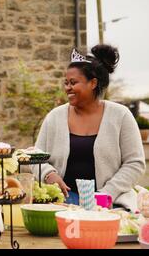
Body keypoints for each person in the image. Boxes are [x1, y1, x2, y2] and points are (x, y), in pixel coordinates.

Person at [34, 45, 146, 211]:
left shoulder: (121, 116)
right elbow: (34, 158)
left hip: (111, 202)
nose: (67, 88)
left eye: (73, 83)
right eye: (66, 83)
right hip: (62, 202)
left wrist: (105, 194)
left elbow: (135, 163)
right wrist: (48, 174)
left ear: (93, 83)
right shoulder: (55, 117)